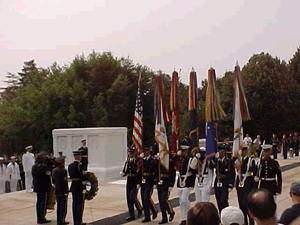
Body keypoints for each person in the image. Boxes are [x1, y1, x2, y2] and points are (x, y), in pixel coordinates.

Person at [232, 146, 256, 225]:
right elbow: (232, 165)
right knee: (241, 204)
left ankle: (251, 222)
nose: (241, 152)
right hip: (240, 182)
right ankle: (244, 222)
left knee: (247, 204)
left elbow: (255, 173)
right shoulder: (238, 160)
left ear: (245, 151)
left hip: (248, 183)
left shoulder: (250, 160)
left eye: (242, 151)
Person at [209, 145, 235, 213]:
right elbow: (210, 166)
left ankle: (226, 214)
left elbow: (232, 173)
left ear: (224, 152)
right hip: (217, 181)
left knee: (223, 201)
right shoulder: (216, 161)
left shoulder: (229, 161)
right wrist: (215, 158)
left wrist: (231, 184)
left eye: (220, 152)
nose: (219, 153)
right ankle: (221, 216)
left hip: (225, 182)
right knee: (218, 201)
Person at [176, 145, 197, 225]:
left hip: (187, 182)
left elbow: (193, 172)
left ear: (187, 151)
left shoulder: (190, 160)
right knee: (181, 201)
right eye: (182, 151)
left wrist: (192, 184)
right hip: (180, 182)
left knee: (184, 199)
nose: (182, 153)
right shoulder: (180, 160)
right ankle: (184, 218)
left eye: (184, 151)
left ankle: (191, 214)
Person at [120, 147, 142, 221]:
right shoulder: (128, 161)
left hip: (135, 181)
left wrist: (139, 183)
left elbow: (139, 172)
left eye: (132, 153)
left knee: (132, 197)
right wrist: (123, 173)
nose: (130, 155)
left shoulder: (137, 161)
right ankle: (131, 214)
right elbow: (127, 170)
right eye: (129, 153)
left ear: (134, 153)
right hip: (129, 180)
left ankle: (139, 209)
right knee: (128, 199)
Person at [156, 147, 176, 224]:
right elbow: (156, 172)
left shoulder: (169, 162)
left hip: (166, 183)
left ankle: (171, 212)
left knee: (164, 199)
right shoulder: (159, 162)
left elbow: (172, 174)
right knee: (161, 202)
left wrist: (171, 185)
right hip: (160, 183)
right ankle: (164, 218)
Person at [138, 146, 158, 223]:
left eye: (147, 151)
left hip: (150, 181)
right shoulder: (142, 161)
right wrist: (138, 182)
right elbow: (140, 172)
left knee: (146, 197)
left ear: (149, 151)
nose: (145, 153)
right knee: (143, 198)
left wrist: (155, 183)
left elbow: (155, 171)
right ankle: (147, 216)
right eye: (144, 151)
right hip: (143, 181)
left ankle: (154, 210)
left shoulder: (152, 160)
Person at [32, 151, 52, 224]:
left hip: (37, 187)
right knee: (42, 203)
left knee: (39, 202)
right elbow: (47, 177)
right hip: (43, 187)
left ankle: (39, 218)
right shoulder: (44, 167)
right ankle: (42, 218)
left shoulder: (34, 166)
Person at [68, 150, 87, 225]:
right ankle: (79, 221)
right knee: (79, 205)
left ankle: (75, 221)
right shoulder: (80, 165)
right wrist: (84, 187)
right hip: (79, 186)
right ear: (79, 156)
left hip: (73, 186)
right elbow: (82, 177)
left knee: (74, 204)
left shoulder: (70, 165)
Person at [52, 155, 69, 225]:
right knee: (63, 206)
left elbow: (53, 181)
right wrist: (66, 191)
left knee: (59, 206)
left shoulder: (54, 170)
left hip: (57, 190)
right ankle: (62, 220)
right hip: (62, 190)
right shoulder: (63, 171)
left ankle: (59, 220)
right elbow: (65, 182)